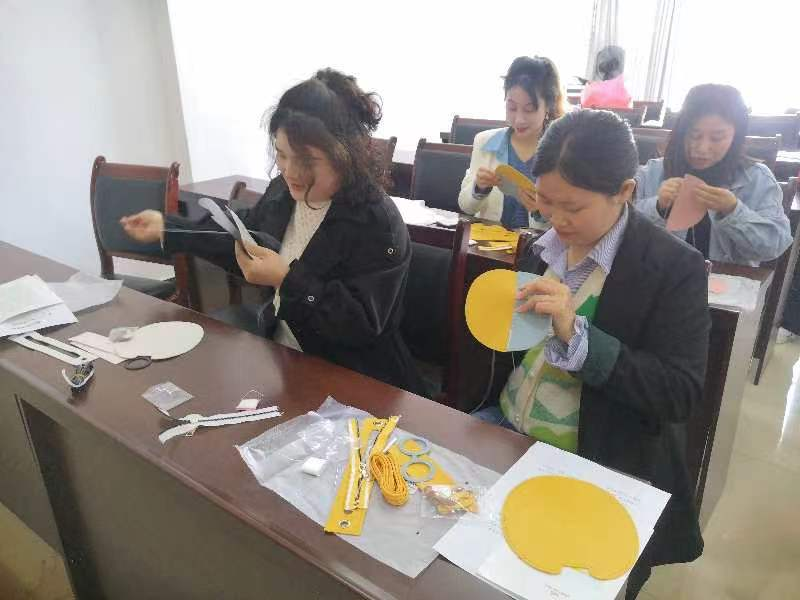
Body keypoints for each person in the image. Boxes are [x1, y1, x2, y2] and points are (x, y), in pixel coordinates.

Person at [474, 110, 709, 598]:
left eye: (573, 208)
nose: (556, 220)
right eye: (545, 201)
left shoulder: (672, 268)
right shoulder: (544, 246)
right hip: (510, 430)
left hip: (596, 460)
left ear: (624, 192)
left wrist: (580, 338)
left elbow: (680, 393)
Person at [120, 68, 425, 394]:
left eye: (306, 160)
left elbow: (360, 324)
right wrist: (169, 228)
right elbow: (243, 238)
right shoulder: (284, 192)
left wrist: (286, 279)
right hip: (288, 356)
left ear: (345, 155)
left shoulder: (376, 222)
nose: (290, 171)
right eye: (281, 154)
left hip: (357, 377)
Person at [636, 83, 791, 265]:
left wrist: (733, 211)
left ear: (735, 137)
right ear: (681, 133)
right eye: (694, 135)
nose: (702, 148)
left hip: (725, 279)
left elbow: (774, 247)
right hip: (660, 276)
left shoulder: (757, 179)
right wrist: (658, 207)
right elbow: (619, 227)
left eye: (717, 138)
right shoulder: (653, 172)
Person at [458, 56, 565, 229]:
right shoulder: (485, 142)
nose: (519, 119)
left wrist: (540, 211)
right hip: (489, 242)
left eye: (529, 109)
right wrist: (479, 188)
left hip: (537, 245)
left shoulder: (563, 151)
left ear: (548, 107)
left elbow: (569, 223)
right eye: (512, 108)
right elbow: (466, 207)